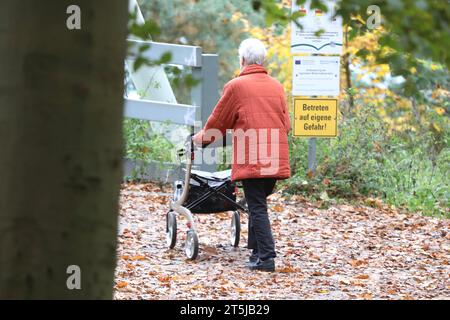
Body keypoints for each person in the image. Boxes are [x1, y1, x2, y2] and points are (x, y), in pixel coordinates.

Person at [193, 38, 291, 272]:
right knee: (257, 202)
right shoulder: (277, 86)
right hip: (275, 156)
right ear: (262, 60)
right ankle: (257, 252)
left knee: (256, 205)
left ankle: (266, 258)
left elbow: (218, 121)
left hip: (254, 156)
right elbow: (286, 125)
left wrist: (200, 140)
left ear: (242, 60)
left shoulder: (236, 86)